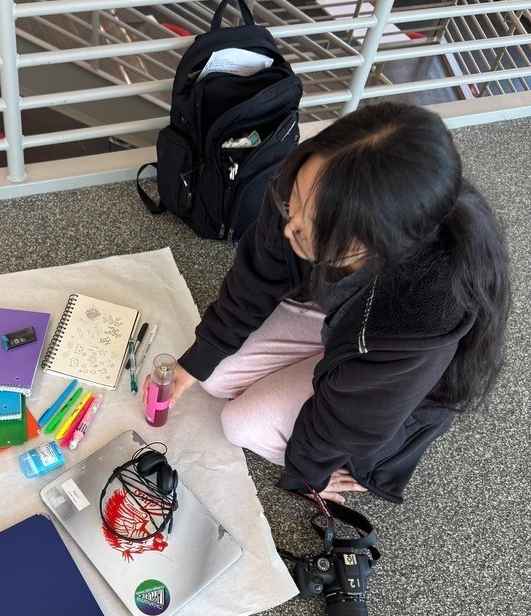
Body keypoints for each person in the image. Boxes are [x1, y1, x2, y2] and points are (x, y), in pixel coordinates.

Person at [156, 102, 510, 504]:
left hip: (375, 361)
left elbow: (352, 419)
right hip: (337, 318)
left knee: (239, 425)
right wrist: (198, 358)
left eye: (314, 226)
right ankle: (318, 353)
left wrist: (309, 474)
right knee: (215, 377)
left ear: (378, 244)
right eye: (295, 202)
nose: (290, 225)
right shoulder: (313, 185)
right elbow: (254, 278)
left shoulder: (424, 318)